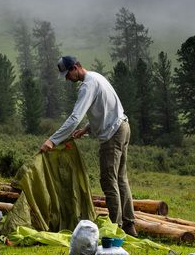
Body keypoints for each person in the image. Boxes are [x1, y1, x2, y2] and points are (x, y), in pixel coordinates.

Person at [39, 55, 137, 237]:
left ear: (75, 67)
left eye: (68, 75)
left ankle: (116, 228)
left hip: (112, 135)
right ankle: (129, 225)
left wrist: (52, 140)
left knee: (108, 180)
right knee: (121, 179)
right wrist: (86, 129)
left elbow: (75, 117)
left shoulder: (87, 86)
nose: (67, 79)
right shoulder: (96, 77)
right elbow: (105, 109)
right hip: (123, 127)